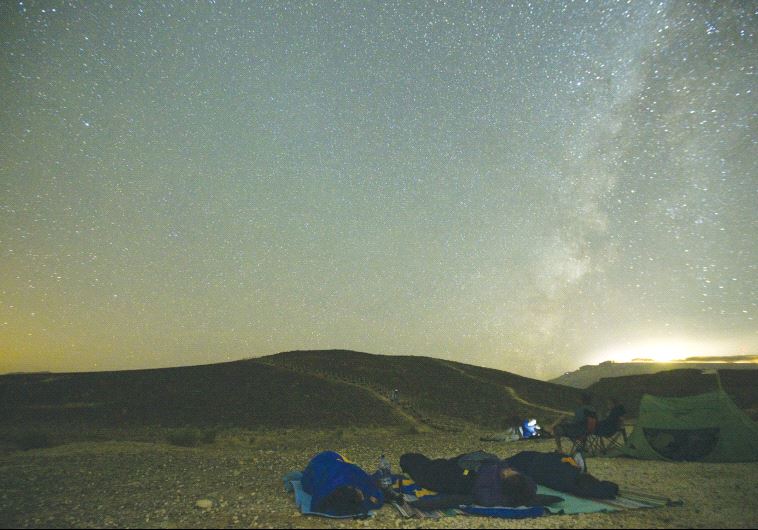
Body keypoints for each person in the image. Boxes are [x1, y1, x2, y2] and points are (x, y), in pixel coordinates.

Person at [399, 451, 539, 507]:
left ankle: (407, 459)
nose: (509, 470)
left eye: (507, 473)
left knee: (426, 473)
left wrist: (507, 500)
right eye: (512, 471)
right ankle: (411, 459)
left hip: (456, 477)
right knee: (432, 468)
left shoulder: (492, 487)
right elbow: (530, 486)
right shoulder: (519, 483)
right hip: (463, 466)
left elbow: (484, 498)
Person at [503, 450, 618, 499]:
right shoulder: (569, 486)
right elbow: (610, 488)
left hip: (534, 462)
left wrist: (561, 455)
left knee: (513, 460)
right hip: (535, 468)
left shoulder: (572, 471)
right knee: (513, 462)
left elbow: (556, 459)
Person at [301, 451, 384, 515]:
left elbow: (317, 504)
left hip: (325, 462)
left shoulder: (328, 488)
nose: (361, 493)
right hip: (328, 462)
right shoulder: (355, 476)